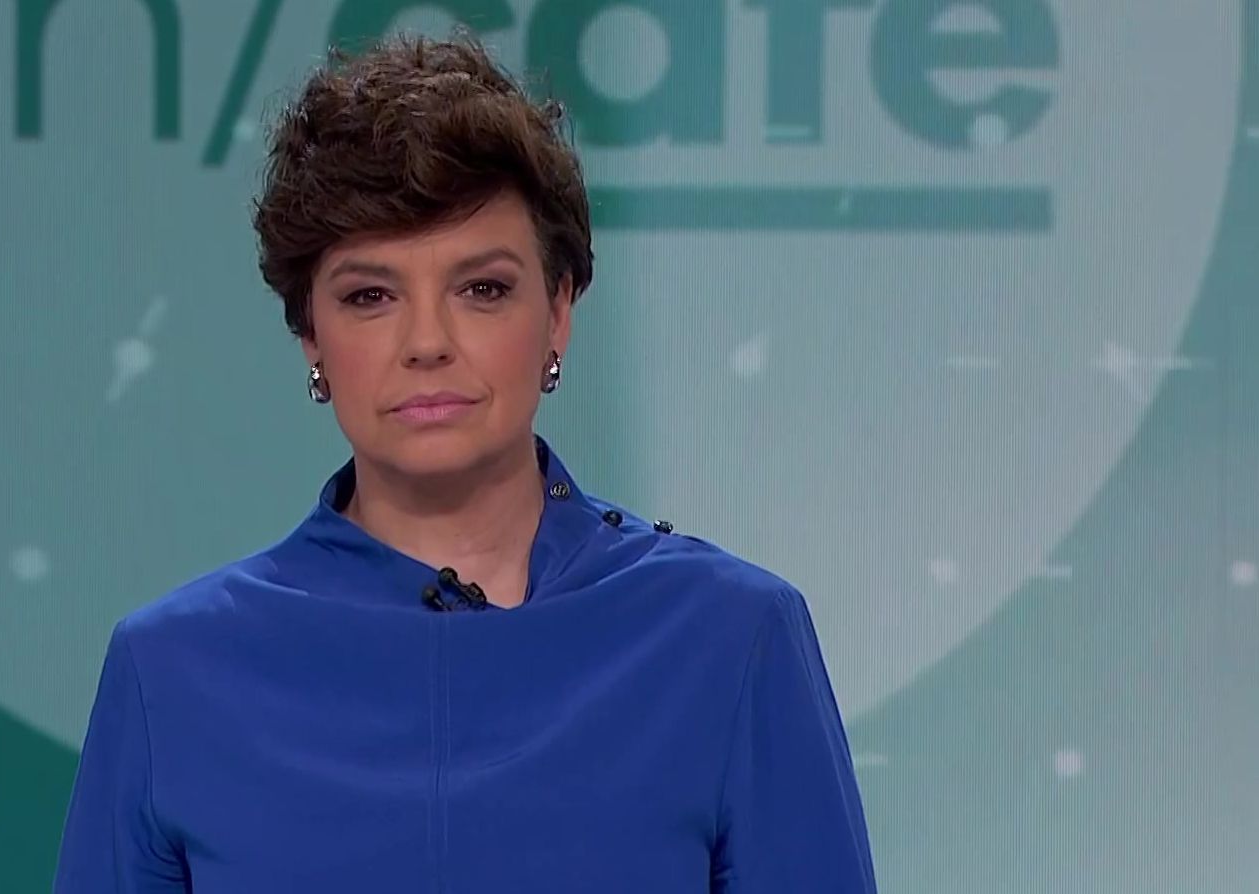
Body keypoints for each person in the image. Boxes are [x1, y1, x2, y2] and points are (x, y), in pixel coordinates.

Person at [53, 30, 876, 893]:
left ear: (558, 311)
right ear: (310, 336)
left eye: (481, 289)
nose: (427, 343)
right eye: (370, 296)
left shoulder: (730, 638)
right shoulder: (173, 671)